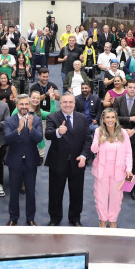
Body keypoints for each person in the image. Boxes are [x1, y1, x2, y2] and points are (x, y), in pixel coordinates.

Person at [45, 91, 92, 226]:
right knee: (55, 193)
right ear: (61, 103)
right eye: (65, 102)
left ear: (74, 103)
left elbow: (87, 139)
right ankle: (55, 218)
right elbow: (48, 134)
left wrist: (84, 156)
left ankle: (75, 218)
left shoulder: (82, 118)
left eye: (70, 102)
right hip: (58, 162)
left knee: (77, 193)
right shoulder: (52, 117)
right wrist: (58, 132)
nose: (68, 104)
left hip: (77, 162)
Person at [89, 108, 133, 228]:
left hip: (119, 170)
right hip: (102, 169)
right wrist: (99, 142)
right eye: (107, 117)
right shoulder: (99, 131)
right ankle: (102, 220)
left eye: (112, 117)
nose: (110, 120)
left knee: (116, 197)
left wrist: (129, 169)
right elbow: (93, 150)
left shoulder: (123, 133)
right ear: (103, 119)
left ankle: (113, 220)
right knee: (100, 196)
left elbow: (128, 152)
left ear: (116, 119)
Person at [3, 94, 42, 226]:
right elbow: (7, 138)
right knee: (13, 192)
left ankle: (30, 218)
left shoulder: (36, 120)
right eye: (21, 104)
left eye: (26, 104)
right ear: (17, 105)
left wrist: (30, 128)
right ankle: (13, 217)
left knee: (30, 192)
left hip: (31, 162)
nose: (24, 107)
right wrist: (18, 129)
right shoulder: (9, 121)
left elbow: (39, 138)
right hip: (15, 161)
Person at [116, 79, 135, 199]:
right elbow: (114, 117)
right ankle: (117, 188)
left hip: (133, 137)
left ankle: (130, 188)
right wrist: (129, 119)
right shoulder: (118, 100)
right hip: (119, 135)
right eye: (130, 87)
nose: (132, 89)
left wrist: (133, 131)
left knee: (131, 163)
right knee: (118, 163)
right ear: (126, 88)